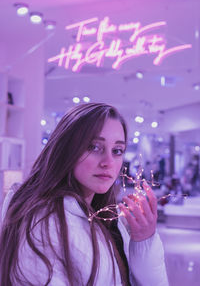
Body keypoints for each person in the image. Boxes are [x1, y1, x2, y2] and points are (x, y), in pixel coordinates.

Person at [0, 103, 169, 286]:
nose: (108, 162)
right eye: (94, 147)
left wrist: (144, 242)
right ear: (66, 148)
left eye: (117, 151)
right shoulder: (42, 221)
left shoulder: (105, 218)